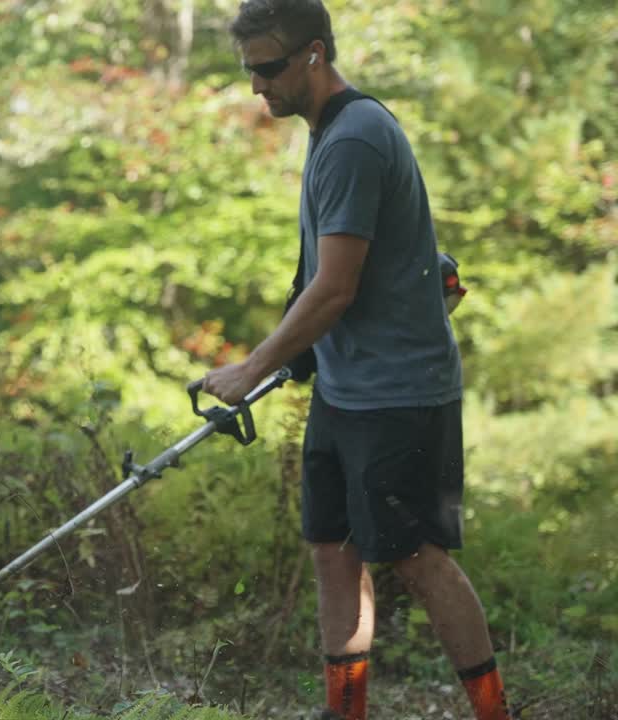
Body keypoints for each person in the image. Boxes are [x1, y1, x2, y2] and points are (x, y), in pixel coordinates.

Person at [200, 2, 512, 719]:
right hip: (347, 390)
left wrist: (252, 367)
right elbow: (342, 274)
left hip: (399, 395)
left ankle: (497, 714)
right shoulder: (329, 132)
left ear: (314, 54)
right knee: (332, 551)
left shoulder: (353, 140)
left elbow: (335, 287)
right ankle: (346, 713)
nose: (257, 86)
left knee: (418, 560)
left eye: (269, 68)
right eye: (248, 70)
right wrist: (305, 354)